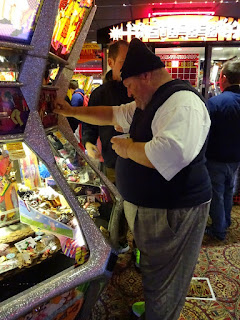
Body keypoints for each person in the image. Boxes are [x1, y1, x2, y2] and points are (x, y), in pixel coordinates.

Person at [54, 38, 212, 320]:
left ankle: (161, 313)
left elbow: (167, 154)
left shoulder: (182, 102)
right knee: (154, 269)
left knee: (167, 276)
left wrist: (126, 148)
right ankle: (155, 307)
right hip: (155, 208)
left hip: (173, 210)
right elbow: (112, 113)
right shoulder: (149, 100)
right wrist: (71, 111)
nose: (127, 92)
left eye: (128, 85)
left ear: (146, 75)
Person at [82, 40, 132, 182]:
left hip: (140, 162)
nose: (129, 67)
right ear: (110, 62)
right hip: (112, 164)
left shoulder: (139, 89)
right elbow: (89, 126)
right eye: (123, 62)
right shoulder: (100, 94)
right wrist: (88, 143)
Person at [205, 60, 240, 241]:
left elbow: (204, 132)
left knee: (216, 193)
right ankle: (224, 222)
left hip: (216, 157)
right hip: (236, 158)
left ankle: (219, 229)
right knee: (228, 190)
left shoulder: (215, 103)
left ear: (223, 78)